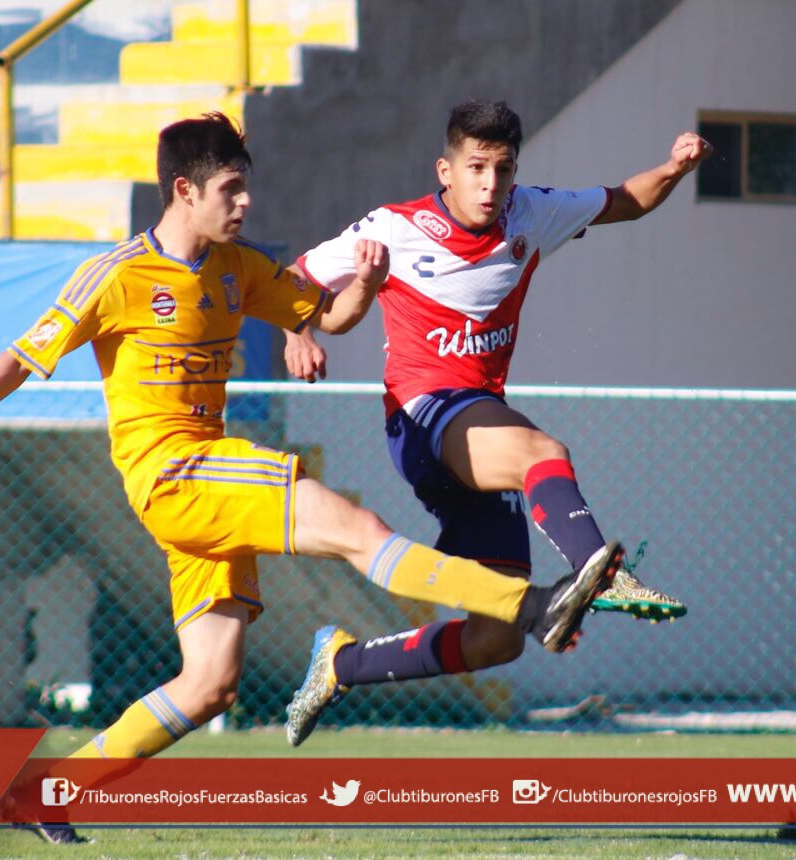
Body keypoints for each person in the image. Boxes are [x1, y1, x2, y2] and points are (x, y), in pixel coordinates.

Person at [0, 113, 622, 843]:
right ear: (184, 191)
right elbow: (22, 354)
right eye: (231, 189)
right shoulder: (119, 274)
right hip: (174, 473)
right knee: (358, 531)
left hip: (206, 488)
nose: (245, 203)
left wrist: (369, 287)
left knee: (209, 683)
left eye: (246, 187)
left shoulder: (238, 266)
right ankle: (532, 606)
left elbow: (329, 316)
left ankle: (45, 793)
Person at [280, 100, 709, 746]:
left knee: (495, 640)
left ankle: (341, 664)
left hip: (475, 426)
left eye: (502, 169)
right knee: (541, 449)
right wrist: (298, 331)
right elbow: (293, 278)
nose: (489, 184)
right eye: (475, 167)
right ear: (445, 170)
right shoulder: (394, 228)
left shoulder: (530, 213)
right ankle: (601, 567)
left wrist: (674, 170)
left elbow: (625, 201)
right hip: (423, 420)